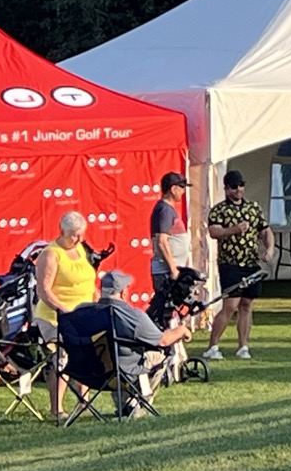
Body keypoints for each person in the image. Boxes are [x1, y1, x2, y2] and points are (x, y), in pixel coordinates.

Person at [62, 270, 194, 413]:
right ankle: (140, 403)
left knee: (116, 355)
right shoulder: (132, 316)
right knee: (161, 354)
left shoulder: (81, 311)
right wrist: (182, 330)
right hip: (120, 373)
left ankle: (125, 406)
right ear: (123, 292)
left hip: (85, 372)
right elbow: (163, 340)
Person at [35, 210, 101, 421]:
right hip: (54, 316)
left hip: (83, 314)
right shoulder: (50, 254)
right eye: (74, 235)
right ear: (62, 231)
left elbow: (88, 279)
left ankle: (84, 402)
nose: (79, 239)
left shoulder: (80, 249)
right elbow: (44, 290)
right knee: (62, 356)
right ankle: (57, 409)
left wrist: (97, 301)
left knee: (87, 352)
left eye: (81, 234)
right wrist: (64, 310)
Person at [203, 170, 272, 361]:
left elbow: (265, 230)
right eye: (234, 186)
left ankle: (243, 346)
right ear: (226, 188)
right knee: (230, 305)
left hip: (251, 263)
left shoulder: (253, 208)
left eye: (241, 185)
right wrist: (234, 229)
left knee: (246, 304)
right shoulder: (219, 210)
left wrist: (269, 249)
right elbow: (214, 232)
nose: (238, 189)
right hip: (230, 263)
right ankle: (212, 346)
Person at [149, 172, 191, 303]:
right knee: (166, 309)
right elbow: (162, 241)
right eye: (181, 188)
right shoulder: (165, 210)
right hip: (166, 272)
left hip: (170, 270)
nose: (183, 192)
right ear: (173, 189)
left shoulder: (167, 209)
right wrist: (173, 269)